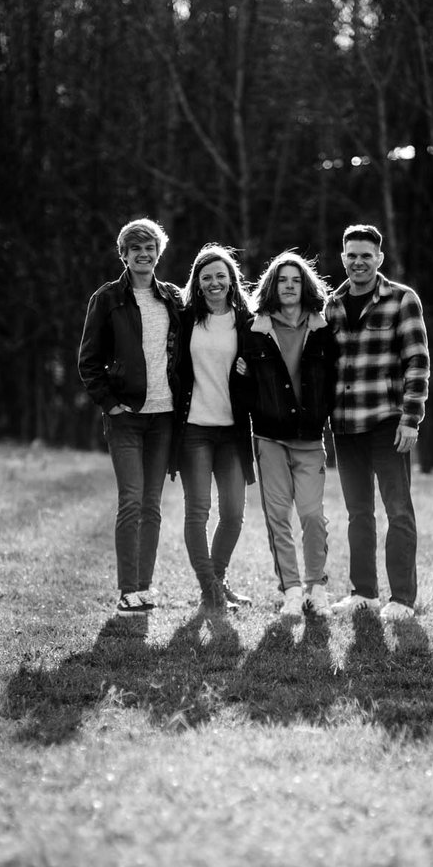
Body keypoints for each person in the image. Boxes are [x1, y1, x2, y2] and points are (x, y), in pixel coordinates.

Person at [78, 217, 183, 614]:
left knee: (153, 504)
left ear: (159, 253)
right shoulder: (107, 298)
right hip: (126, 417)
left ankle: (144, 587)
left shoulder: (172, 297)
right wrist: (110, 403)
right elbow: (88, 360)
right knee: (132, 500)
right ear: (123, 254)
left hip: (164, 417)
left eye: (150, 247)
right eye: (135, 248)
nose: (143, 254)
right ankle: (126, 591)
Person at [325, 223, 430, 623]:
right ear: (343, 258)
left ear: (379, 258)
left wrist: (411, 419)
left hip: (388, 422)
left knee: (398, 510)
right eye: (351, 255)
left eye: (366, 255)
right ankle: (363, 593)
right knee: (358, 514)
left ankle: (402, 599)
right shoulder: (332, 306)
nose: (358, 262)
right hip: (346, 426)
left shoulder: (402, 300)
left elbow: (417, 362)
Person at [238, 251, 338, 618]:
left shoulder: (322, 329)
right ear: (272, 286)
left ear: (305, 285)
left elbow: (331, 383)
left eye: (296, 280)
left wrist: (322, 416)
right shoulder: (256, 329)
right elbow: (243, 383)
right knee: (277, 515)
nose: (290, 286)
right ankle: (292, 591)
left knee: (312, 515)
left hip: (310, 438)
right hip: (269, 438)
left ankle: (317, 588)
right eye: (283, 280)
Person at [171, 244, 255, 613]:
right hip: (194, 430)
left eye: (221, 275)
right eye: (207, 277)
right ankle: (210, 591)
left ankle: (216, 580)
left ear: (232, 280)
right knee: (198, 512)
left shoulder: (246, 321)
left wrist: (249, 371)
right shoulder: (185, 318)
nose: (215, 282)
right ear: (198, 283)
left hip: (232, 431)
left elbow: (261, 368)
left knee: (234, 512)